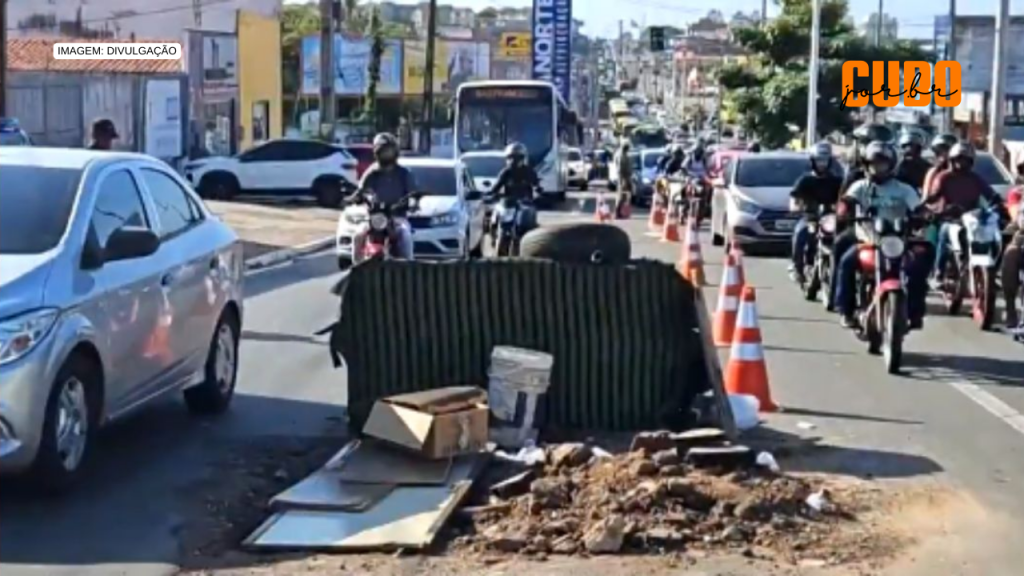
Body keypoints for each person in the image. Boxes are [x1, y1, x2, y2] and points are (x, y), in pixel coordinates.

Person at [833, 141, 933, 329]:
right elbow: (846, 201)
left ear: (891, 164)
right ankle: (846, 310)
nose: (878, 168)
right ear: (866, 165)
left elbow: (919, 207)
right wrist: (843, 210)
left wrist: (925, 215)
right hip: (868, 241)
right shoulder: (860, 186)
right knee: (846, 262)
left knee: (921, 260)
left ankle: (915, 311)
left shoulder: (904, 189)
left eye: (882, 163)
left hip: (898, 242)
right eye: (874, 163)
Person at [925, 142, 1007, 280]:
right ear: (952, 160)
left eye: (965, 160)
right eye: (958, 159)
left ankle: (992, 271)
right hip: (951, 218)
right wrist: (930, 207)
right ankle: (939, 271)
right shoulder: (944, 177)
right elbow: (934, 196)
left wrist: (1000, 206)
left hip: (973, 219)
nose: (961, 163)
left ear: (971, 162)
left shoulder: (975, 178)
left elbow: (990, 194)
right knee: (944, 232)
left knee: (993, 236)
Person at [350, 133, 417, 262]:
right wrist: (355, 198)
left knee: (405, 235)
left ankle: (409, 266)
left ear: (396, 151)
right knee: (357, 236)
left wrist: (412, 203)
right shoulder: (371, 172)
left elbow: (412, 193)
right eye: (384, 151)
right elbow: (361, 190)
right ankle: (356, 268)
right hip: (375, 218)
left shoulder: (404, 173)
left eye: (390, 150)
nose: (387, 154)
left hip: (397, 217)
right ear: (377, 152)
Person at [789, 142, 843, 283]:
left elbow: (844, 199)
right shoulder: (805, 180)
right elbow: (794, 198)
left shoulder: (837, 181)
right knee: (800, 234)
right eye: (819, 160)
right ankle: (797, 268)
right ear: (812, 161)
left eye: (825, 160)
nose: (822, 164)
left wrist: (842, 210)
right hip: (810, 218)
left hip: (830, 220)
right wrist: (795, 207)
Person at [490, 141, 540, 234]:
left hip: (525, 203)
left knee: (531, 223)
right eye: (511, 158)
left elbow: (536, 184)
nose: (514, 161)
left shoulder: (529, 172)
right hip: (508, 202)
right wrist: (491, 194)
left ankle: (529, 240)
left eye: (518, 158)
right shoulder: (505, 172)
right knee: (496, 211)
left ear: (523, 158)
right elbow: (497, 186)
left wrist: (538, 190)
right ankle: (494, 232)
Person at [614, 141, 634, 218]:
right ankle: (617, 212)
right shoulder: (621, 155)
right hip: (623, 177)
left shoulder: (623, 154)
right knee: (621, 195)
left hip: (625, 177)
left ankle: (621, 212)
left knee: (625, 195)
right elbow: (620, 169)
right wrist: (623, 180)